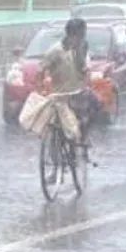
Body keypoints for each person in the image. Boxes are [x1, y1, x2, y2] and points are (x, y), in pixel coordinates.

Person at [40, 17, 99, 154]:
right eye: (81, 34)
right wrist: (40, 90)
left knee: (97, 104)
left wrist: (86, 76)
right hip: (60, 95)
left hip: (78, 91)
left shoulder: (82, 48)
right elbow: (40, 69)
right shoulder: (55, 50)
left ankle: (83, 135)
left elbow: (85, 69)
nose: (82, 38)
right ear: (74, 35)